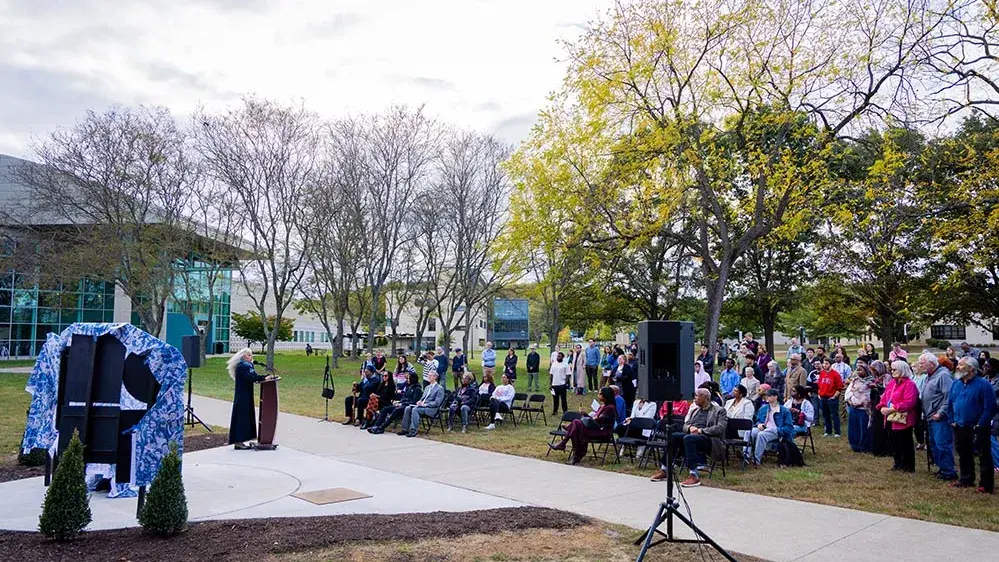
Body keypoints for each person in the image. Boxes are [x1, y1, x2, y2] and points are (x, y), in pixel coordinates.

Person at [651, 388, 728, 487]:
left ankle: (694, 475)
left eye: (696, 396)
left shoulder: (719, 411)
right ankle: (665, 469)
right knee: (674, 437)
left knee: (689, 439)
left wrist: (700, 431)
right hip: (693, 436)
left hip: (710, 439)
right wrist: (690, 428)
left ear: (705, 398)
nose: (694, 398)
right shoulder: (695, 410)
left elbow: (720, 428)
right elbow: (685, 425)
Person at [948, 357, 996, 493]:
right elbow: (950, 403)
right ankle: (966, 479)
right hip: (959, 425)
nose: (958, 367)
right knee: (963, 453)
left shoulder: (983, 385)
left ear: (972, 369)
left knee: (983, 455)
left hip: (977, 426)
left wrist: (981, 424)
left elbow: (990, 407)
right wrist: (952, 419)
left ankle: (986, 484)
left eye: (961, 365)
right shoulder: (956, 384)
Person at [548, 387, 617, 465]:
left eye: (600, 394)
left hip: (603, 432)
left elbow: (599, 422)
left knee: (576, 424)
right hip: (595, 429)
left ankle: (566, 444)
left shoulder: (610, 408)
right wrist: (585, 414)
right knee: (576, 426)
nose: (598, 395)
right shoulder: (602, 406)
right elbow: (595, 421)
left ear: (606, 395)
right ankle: (573, 454)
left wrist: (586, 415)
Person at [916, 353, 956, 481]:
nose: (920, 365)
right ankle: (942, 468)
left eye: (922, 363)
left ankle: (949, 471)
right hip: (929, 416)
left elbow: (949, 396)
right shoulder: (929, 376)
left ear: (932, 363)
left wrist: (941, 412)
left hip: (940, 417)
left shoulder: (943, 376)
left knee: (942, 444)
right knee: (934, 444)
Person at [877, 360, 919, 472]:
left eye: (895, 369)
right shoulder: (892, 383)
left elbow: (909, 402)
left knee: (905, 442)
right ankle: (898, 463)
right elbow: (885, 397)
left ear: (902, 370)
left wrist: (892, 408)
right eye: (891, 369)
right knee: (894, 441)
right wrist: (881, 406)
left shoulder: (909, 384)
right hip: (890, 417)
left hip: (903, 418)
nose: (892, 371)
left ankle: (908, 466)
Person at [227, 348, 270, 449]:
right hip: (243, 395)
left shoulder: (247, 366)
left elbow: (253, 376)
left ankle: (243, 439)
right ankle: (238, 441)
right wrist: (263, 378)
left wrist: (264, 377)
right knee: (242, 417)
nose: (252, 357)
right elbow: (250, 377)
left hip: (246, 394)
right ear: (243, 357)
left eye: (251, 355)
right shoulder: (243, 366)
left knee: (246, 416)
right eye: (249, 355)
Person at [745, 388, 794, 466]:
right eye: (766, 396)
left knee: (761, 435)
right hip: (764, 428)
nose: (766, 397)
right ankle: (746, 456)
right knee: (748, 432)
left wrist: (778, 430)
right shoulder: (763, 409)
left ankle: (756, 460)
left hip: (776, 430)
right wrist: (759, 424)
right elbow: (758, 421)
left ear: (775, 397)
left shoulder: (784, 411)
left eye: (769, 396)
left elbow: (789, 428)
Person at [398, 372, 445, 438]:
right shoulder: (427, 387)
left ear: (435, 377)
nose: (428, 377)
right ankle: (405, 429)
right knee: (408, 408)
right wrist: (419, 401)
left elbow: (437, 403)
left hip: (431, 408)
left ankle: (413, 431)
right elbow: (423, 398)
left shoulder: (440, 389)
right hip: (422, 406)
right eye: (428, 375)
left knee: (415, 410)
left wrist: (425, 404)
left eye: (430, 375)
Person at [844, 363, 874, 452]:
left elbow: (869, 395)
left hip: (863, 409)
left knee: (864, 428)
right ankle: (855, 445)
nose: (858, 372)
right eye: (857, 370)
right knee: (853, 427)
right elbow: (849, 392)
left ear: (866, 371)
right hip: (853, 407)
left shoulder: (871, 382)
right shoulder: (855, 381)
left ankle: (865, 447)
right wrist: (850, 401)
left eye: (861, 370)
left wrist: (861, 403)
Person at [867, 360, 892, 457]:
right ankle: (877, 448)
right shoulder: (876, 378)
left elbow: (887, 392)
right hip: (876, 404)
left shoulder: (887, 377)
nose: (873, 372)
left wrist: (877, 387)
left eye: (874, 370)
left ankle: (885, 449)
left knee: (883, 427)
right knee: (876, 426)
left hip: (885, 405)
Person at [817, 357, 845, 437]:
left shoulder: (835, 374)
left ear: (830, 364)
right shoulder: (822, 373)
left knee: (834, 415)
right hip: (823, 397)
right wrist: (819, 393)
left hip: (831, 397)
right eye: (824, 363)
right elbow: (819, 385)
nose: (824, 365)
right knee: (825, 415)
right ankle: (828, 431)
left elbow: (839, 387)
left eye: (826, 363)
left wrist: (834, 396)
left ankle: (837, 432)